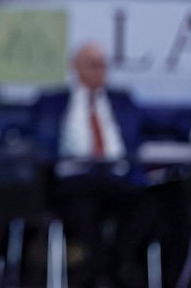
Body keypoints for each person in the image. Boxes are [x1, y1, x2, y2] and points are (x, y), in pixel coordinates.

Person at [33, 44, 147, 287]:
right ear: (75, 67)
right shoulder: (53, 101)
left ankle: (117, 268)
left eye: (103, 65)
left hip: (119, 178)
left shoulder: (122, 100)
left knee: (150, 205)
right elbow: (16, 124)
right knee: (84, 207)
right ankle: (97, 275)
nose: (99, 71)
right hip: (74, 179)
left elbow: (163, 123)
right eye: (92, 65)